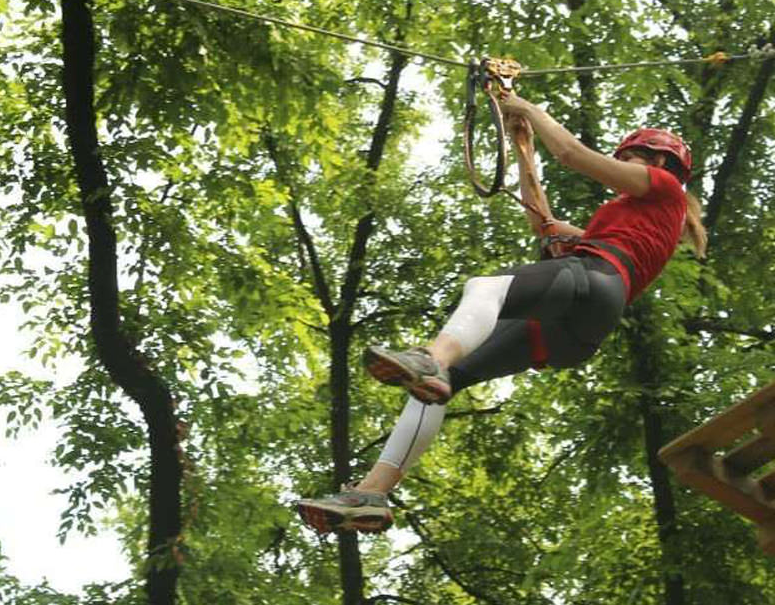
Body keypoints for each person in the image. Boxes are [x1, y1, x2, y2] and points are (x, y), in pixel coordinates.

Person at [295, 93, 707, 534]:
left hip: (596, 276)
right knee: (442, 386)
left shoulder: (666, 190)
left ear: (657, 161)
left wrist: (527, 106)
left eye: (630, 159)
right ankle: (371, 493)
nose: (622, 168)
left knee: (484, 288)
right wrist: (524, 144)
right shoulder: (632, 222)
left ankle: (432, 356)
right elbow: (544, 226)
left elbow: (571, 153)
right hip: (583, 322)